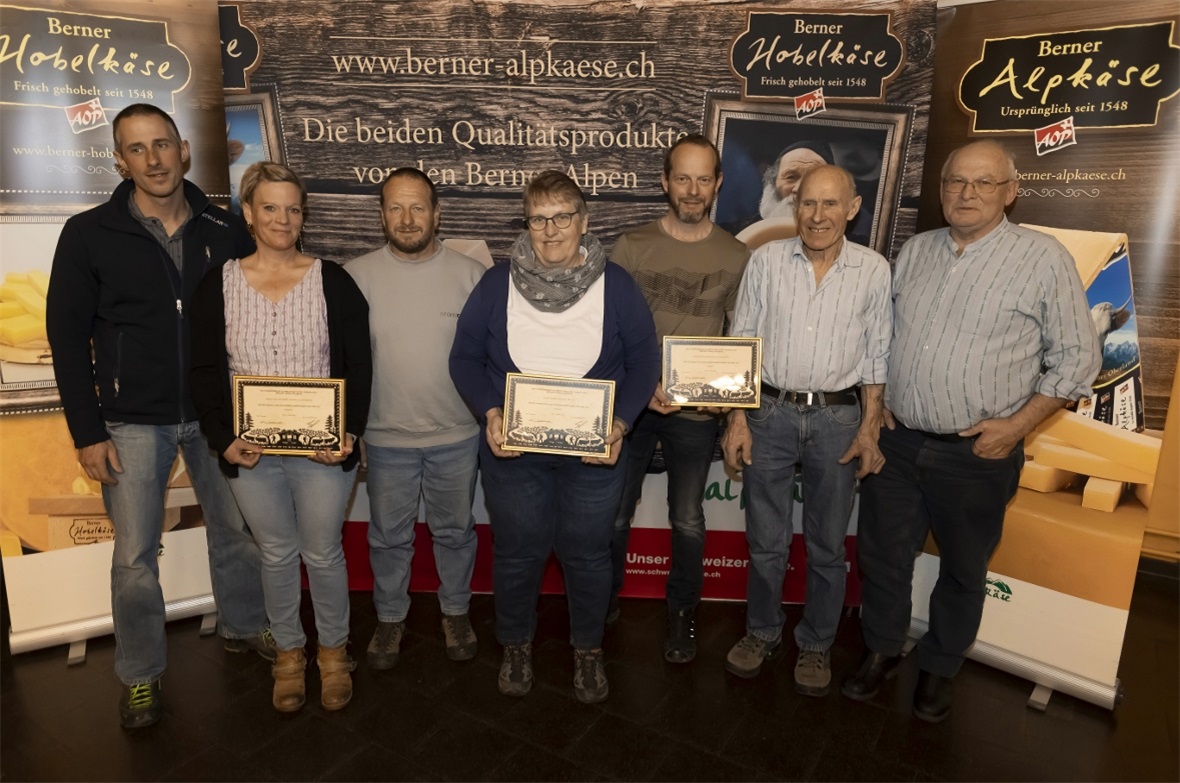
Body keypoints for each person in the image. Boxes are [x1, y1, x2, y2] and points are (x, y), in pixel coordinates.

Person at [843, 140, 1100, 722]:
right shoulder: (916, 251)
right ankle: (881, 650)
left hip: (978, 452)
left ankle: (939, 668)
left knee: (962, 570)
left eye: (984, 183)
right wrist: (875, 406)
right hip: (899, 440)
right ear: (941, 190)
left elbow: (1078, 360)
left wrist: (1016, 426)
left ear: (1011, 191)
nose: (967, 193)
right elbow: (883, 338)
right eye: (957, 182)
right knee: (884, 559)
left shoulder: (1043, 258)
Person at [46, 104, 272, 730]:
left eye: (163, 145)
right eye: (137, 149)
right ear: (120, 159)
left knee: (237, 535)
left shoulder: (224, 229)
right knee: (135, 557)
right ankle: (141, 674)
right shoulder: (88, 233)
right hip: (130, 423)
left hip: (215, 416)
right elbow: (66, 339)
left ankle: (246, 627)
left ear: (184, 151)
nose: (154, 159)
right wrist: (88, 433)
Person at [449, 171, 659, 703]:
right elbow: (464, 358)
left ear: (584, 222)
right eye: (539, 218)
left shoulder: (618, 285)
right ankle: (516, 644)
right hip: (514, 452)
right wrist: (491, 413)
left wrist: (621, 423)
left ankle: (587, 649)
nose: (550, 230)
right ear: (527, 223)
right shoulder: (496, 283)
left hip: (592, 455)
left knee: (588, 554)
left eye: (562, 216)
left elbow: (644, 364)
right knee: (518, 552)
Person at [190, 162, 372, 713]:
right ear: (247, 213)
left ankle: (334, 654)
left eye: (293, 208)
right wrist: (222, 439)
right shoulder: (217, 283)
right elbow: (201, 370)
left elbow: (359, 366)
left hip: (321, 449)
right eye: (270, 207)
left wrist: (349, 432)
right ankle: (290, 654)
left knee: (322, 552)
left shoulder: (332, 280)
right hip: (251, 451)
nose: (282, 218)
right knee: (274, 552)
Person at [722, 164, 891, 697]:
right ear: (795, 208)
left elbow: (877, 356)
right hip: (768, 413)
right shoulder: (766, 261)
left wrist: (869, 429)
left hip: (838, 419)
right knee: (766, 540)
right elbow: (741, 339)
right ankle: (762, 632)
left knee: (826, 544)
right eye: (808, 204)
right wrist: (737, 418)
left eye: (830, 204)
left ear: (853, 208)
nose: (817, 216)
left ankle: (816, 642)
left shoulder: (874, 270)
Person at [608, 135, 749, 662]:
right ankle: (604, 601)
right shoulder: (631, 245)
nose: (692, 190)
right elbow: (611, 332)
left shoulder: (736, 254)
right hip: (633, 406)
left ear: (717, 184)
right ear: (665, 181)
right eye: (682, 178)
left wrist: (734, 406)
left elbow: (742, 336)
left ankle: (683, 610)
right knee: (616, 515)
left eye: (703, 179)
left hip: (696, 411)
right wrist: (642, 388)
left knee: (688, 517)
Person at [346, 168, 485, 669]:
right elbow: (337, 361)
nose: (407, 220)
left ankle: (456, 611)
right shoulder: (353, 276)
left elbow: (491, 357)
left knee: (455, 532)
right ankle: (389, 618)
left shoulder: (473, 277)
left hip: (457, 435)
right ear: (381, 215)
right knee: (387, 537)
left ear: (437, 213)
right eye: (396, 208)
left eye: (418, 207)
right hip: (384, 439)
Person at [736, 140, 872, 248]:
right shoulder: (735, 236)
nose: (801, 188)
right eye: (791, 176)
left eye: (814, 179)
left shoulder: (857, 249)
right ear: (772, 185)